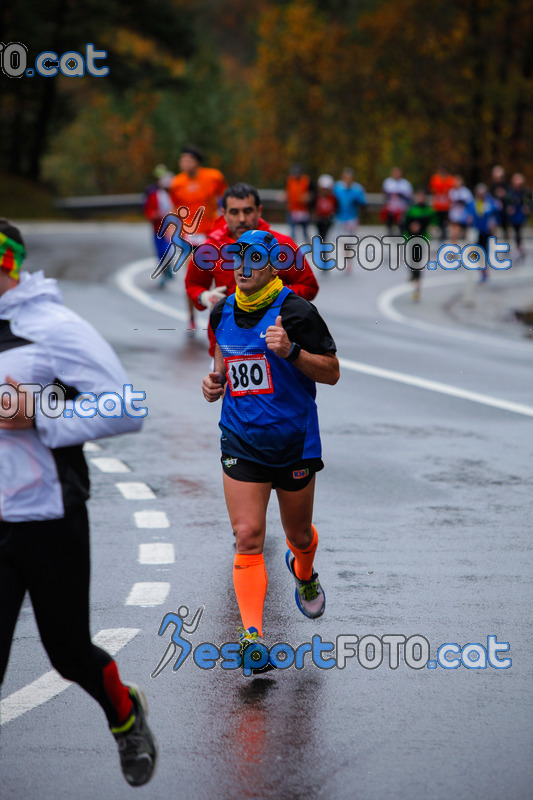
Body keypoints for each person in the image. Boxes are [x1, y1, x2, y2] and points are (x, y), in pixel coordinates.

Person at [0, 220, 157, 786]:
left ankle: (124, 713)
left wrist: (40, 412)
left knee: (67, 653)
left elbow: (127, 405)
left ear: (5, 265)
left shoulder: (53, 328)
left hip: (48, 517)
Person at [201, 229, 339, 673]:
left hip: (293, 443)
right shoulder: (221, 311)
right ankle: (252, 638)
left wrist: (293, 351)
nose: (242, 267)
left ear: (273, 265)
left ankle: (303, 570)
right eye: (238, 258)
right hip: (241, 440)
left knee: (299, 535)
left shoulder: (297, 312)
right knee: (247, 537)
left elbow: (333, 372)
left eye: (254, 259)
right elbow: (223, 365)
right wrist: (213, 382)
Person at [185, 182, 319, 357]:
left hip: (274, 346)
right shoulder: (210, 248)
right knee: (215, 385)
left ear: (259, 211)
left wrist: (273, 299)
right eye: (234, 212)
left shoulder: (281, 245)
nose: (242, 219)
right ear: (224, 214)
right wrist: (205, 297)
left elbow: (309, 286)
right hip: (226, 346)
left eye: (247, 211)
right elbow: (193, 284)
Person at [169, 145, 227, 334]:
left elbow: (226, 199)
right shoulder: (177, 182)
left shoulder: (213, 177)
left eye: (188, 160)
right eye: (182, 160)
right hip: (189, 238)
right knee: (190, 278)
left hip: (211, 235)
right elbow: (174, 207)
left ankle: (221, 314)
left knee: (218, 276)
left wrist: (225, 223)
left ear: (197, 162)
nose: (184, 163)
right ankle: (191, 317)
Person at [403, 189, 438, 301]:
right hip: (411, 238)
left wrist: (432, 228)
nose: (420, 199)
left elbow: (435, 222)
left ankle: (417, 288)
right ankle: (413, 275)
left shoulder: (429, 211)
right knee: (412, 261)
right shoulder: (412, 210)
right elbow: (404, 223)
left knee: (418, 263)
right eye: (419, 196)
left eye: (422, 196)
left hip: (422, 239)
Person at [143, 164, 174, 287]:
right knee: (160, 252)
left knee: (168, 250)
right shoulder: (152, 193)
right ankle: (164, 272)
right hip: (157, 229)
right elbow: (148, 211)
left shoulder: (173, 193)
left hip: (169, 228)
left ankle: (168, 268)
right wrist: (154, 215)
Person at [465, 184, 498, 281]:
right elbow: (468, 215)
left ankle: (484, 270)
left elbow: (495, 214)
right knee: (475, 251)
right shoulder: (474, 204)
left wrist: (493, 223)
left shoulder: (489, 203)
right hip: (476, 230)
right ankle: (482, 269)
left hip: (486, 231)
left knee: (484, 250)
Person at [505, 173, 532, 262]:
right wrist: (509, 208)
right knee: (515, 231)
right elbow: (507, 201)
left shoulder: (525, 191)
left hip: (521, 214)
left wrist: (527, 208)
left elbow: (529, 202)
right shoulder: (510, 191)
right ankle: (517, 248)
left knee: (519, 231)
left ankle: (520, 248)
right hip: (514, 214)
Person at [334, 168, 366, 237]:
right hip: (339, 218)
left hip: (352, 218)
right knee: (339, 239)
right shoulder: (337, 187)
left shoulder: (357, 189)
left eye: (349, 178)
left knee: (350, 240)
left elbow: (363, 203)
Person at [380, 167, 413, 235]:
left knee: (401, 224)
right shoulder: (388, 182)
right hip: (391, 207)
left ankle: (401, 234)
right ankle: (390, 232)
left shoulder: (405, 184)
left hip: (401, 207)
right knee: (389, 221)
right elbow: (384, 194)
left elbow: (409, 197)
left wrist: (401, 195)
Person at [285, 164, 312, 242]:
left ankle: (308, 248)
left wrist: (307, 197)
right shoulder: (290, 180)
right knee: (292, 231)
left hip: (303, 210)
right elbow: (288, 192)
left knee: (305, 231)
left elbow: (312, 193)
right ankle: (292, 247)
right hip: (293, 209)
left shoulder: (306, 180)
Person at [429, 165, 455, 241]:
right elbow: (432, 190)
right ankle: (439, 234)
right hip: (438, 204)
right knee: (438, 221)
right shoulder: (435, 179)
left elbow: (451, 191)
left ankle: (444, 234)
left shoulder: (450, 179)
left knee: (445, 221)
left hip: (446, 205)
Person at [448, 175, 473, 243]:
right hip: (455, 216)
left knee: (465, 234)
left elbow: (470, 204)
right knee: (454, 232)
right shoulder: (451, 191)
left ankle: (466, 248)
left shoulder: (466, 192)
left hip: (464, 215)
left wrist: (470, 215)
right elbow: (450, 205)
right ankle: (454, 247)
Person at [313, 174, 337, 241]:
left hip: (329, 219)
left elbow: (335, 208)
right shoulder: (317, 197)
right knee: (320, 236)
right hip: (320, 219)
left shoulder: (333, 198)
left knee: (327, 237)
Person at [489, 165, 510, 239]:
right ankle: (494, 241)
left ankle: (506, 241)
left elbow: (510, 196)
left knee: (505, 226)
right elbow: (490, 197)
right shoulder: (492, 186)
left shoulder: (506, 185)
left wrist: (504, 194)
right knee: (493, 226)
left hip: (504, 209)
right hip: (495, 210)